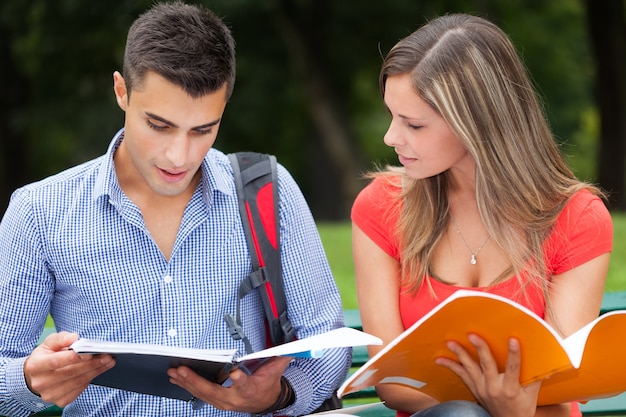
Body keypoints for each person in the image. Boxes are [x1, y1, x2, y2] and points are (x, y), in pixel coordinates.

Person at [0, 2, 350, 416]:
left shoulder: (267, 190)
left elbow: (328, 345)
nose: (179, 156)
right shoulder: (39, 212)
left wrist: (279, 395)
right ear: (121, 91)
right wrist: (27, 380)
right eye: (159, 125)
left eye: (203, 129)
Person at [351, 13, 612, 417]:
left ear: (476, 125)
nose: (391, 138)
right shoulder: (381, 207)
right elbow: (394, 386)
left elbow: (563, 389)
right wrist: (504, 403)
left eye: (413, 124)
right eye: (392, 116)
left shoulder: (577, 219)